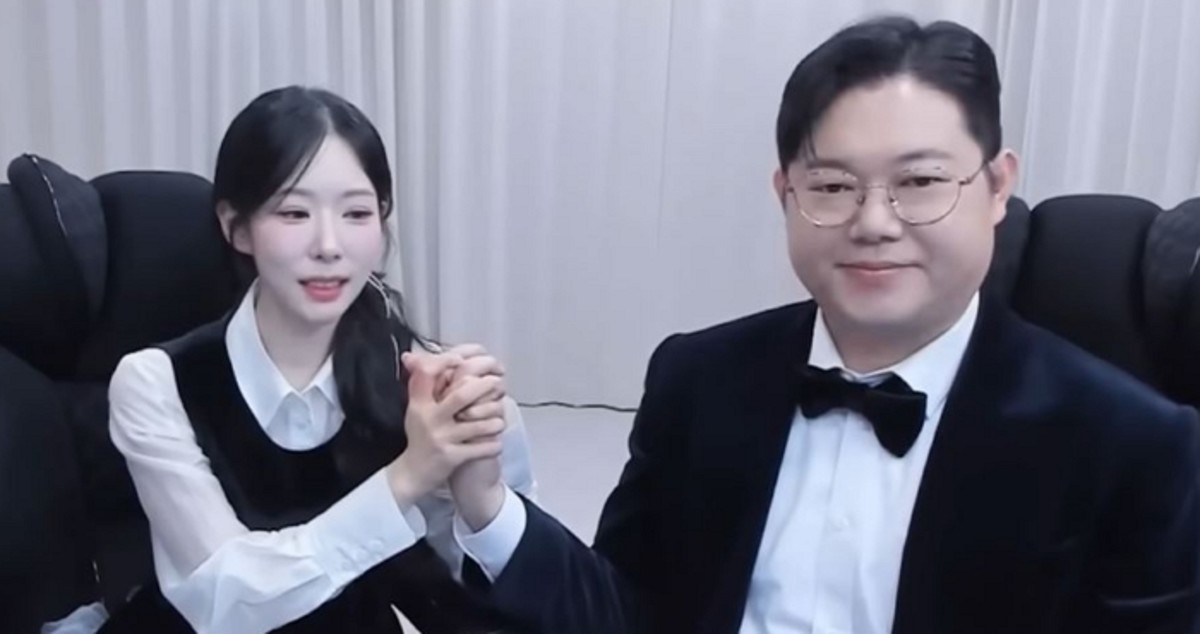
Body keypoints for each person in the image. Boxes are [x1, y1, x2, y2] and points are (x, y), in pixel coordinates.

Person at [445, 16, 1200, 634]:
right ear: (785, 194)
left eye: (920, 181)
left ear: (997, 186)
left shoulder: (1133, 443)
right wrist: (488, 503)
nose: (874, 222)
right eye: (833, 186)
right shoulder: (698, 378)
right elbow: (623, 612)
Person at [99, 86, 535, 633]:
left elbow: (477, 599)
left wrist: (482, 498)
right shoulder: (156, 383)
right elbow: (226, 600)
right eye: (294, 212)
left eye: (357, 213)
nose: (329, 245)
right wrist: (407, 476)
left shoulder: (425, 386)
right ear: (236, 226)